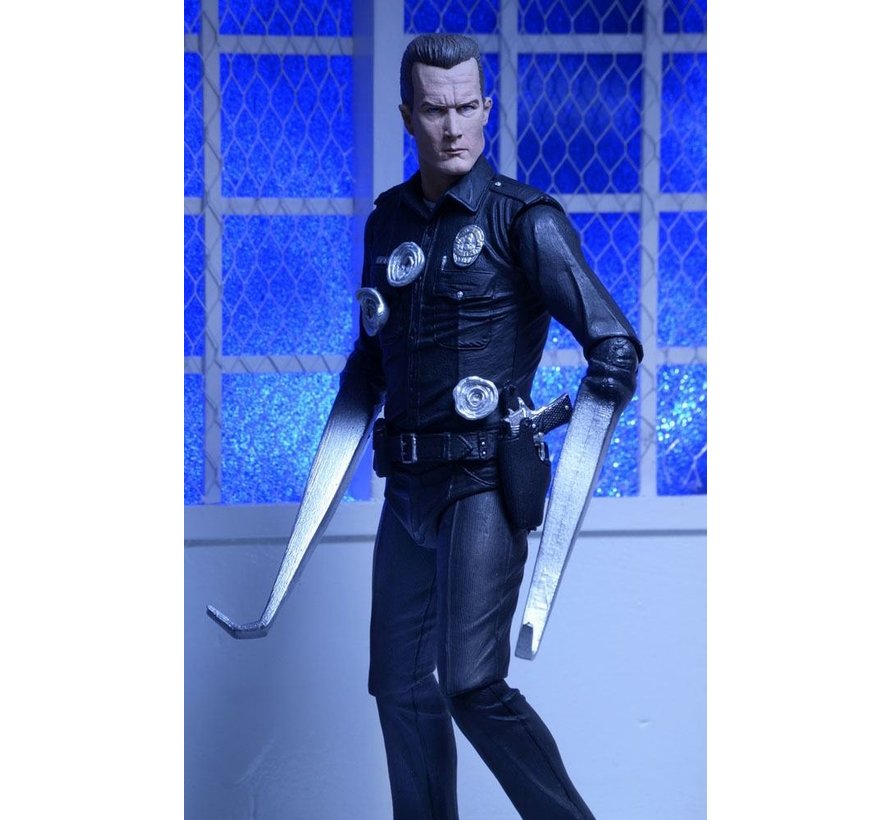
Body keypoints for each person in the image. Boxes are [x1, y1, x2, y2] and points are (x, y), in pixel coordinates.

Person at [210, 32, 642, 820]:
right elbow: (372, 360)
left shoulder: (524, 219)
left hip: (482, 483)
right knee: (400, 686)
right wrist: (353, 397)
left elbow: (613, 340)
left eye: (467, 107)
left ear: (487, 108)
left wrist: (597, 389)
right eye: (435, 110)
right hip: (407, 486)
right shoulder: (388, 223)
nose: (453, 127)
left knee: (472, 682)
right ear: (408, 115)